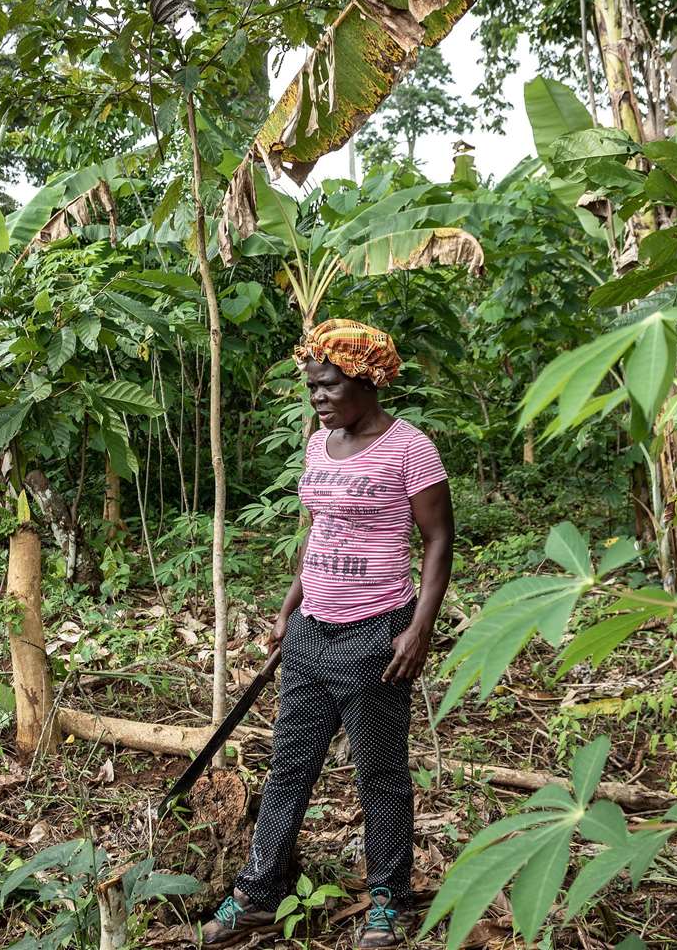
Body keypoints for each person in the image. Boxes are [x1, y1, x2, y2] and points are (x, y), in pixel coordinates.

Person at [200, 319, 454, 948]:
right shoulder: (319, 444)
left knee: (379, 774)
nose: (317, 397)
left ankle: (388, 904)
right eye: (311, 386)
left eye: (328, 385)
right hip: (313, 629)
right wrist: (290, 608)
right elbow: (317, 533)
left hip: (377, 633)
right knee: (289, 767)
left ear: (367, 381)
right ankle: (259, 896)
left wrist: (419, 628)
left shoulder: (410, 448)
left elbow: (438, 539)